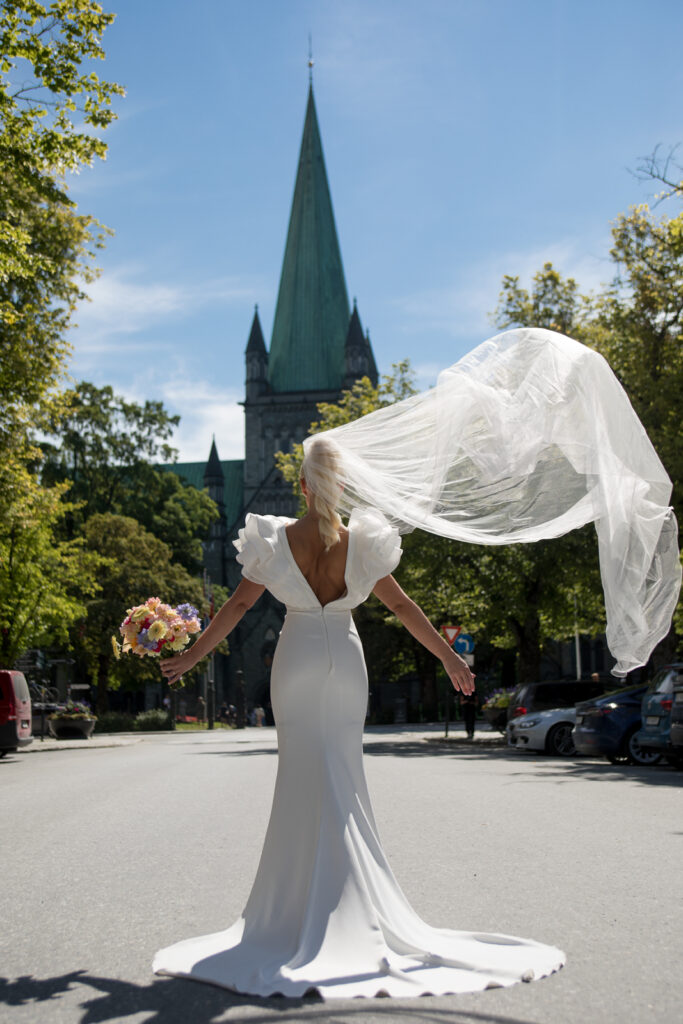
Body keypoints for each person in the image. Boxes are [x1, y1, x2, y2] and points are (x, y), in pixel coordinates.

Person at [154, 437, 565, 998]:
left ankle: (295, 909)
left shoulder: (275, 540)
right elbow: (401, 607)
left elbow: (239, 606)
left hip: (295, 659)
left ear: (301, 485)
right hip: (346, 663)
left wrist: (193, 653)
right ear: (340, 487)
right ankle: (352, 902)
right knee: (343, 779)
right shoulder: (363, 543)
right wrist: (450, 657)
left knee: (301, 777)